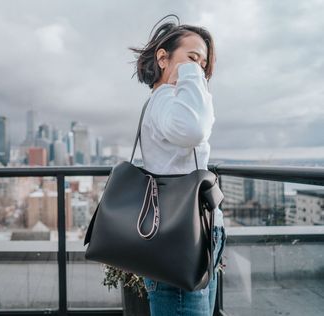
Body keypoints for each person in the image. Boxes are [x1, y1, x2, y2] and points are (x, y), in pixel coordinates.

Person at [128, 14, 227, 316]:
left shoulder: (175, 101)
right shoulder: (165, 100)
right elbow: (195, 130)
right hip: (180, 239)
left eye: (202, 65)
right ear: (163, 58)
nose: (197, 69)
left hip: (195, 234)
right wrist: (191, 76)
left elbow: (199, 126)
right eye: (191, 58)